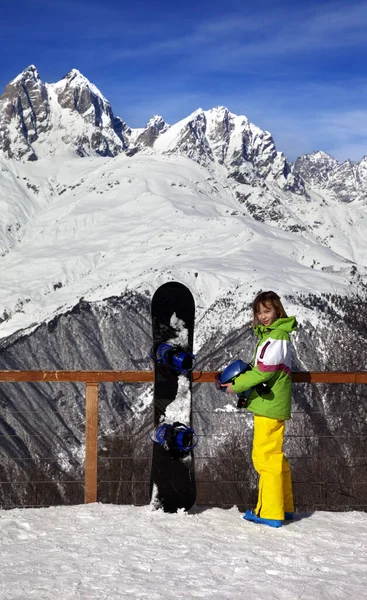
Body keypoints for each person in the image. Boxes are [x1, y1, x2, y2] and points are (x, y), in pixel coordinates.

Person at [222, 290, 297, 528]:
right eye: (259, 312)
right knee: (275, 457)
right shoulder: (277, 334)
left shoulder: (277, 337)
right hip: (272, 403)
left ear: (278, 310)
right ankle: (284, 507)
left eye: (267, 311)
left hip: (269, 405)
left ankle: (270, 512)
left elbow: (265, 370)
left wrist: (236, 385)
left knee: (265, 458)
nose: (263, 316)